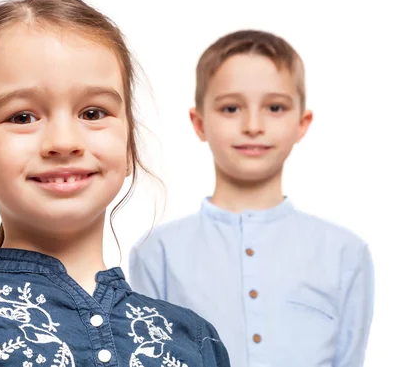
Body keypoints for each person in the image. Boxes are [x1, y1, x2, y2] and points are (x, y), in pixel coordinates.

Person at [0, 0, 231, 367]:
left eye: (92, 112)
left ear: (129, 144)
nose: (64, 143)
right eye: (22, 117)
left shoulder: (195, 340)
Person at [129, 30, 374, 367]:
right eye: (231, 108)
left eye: (275, 107)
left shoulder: (346, 253)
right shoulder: (157, 254)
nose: (253, 125)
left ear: (302, 124)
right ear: (199, 123)